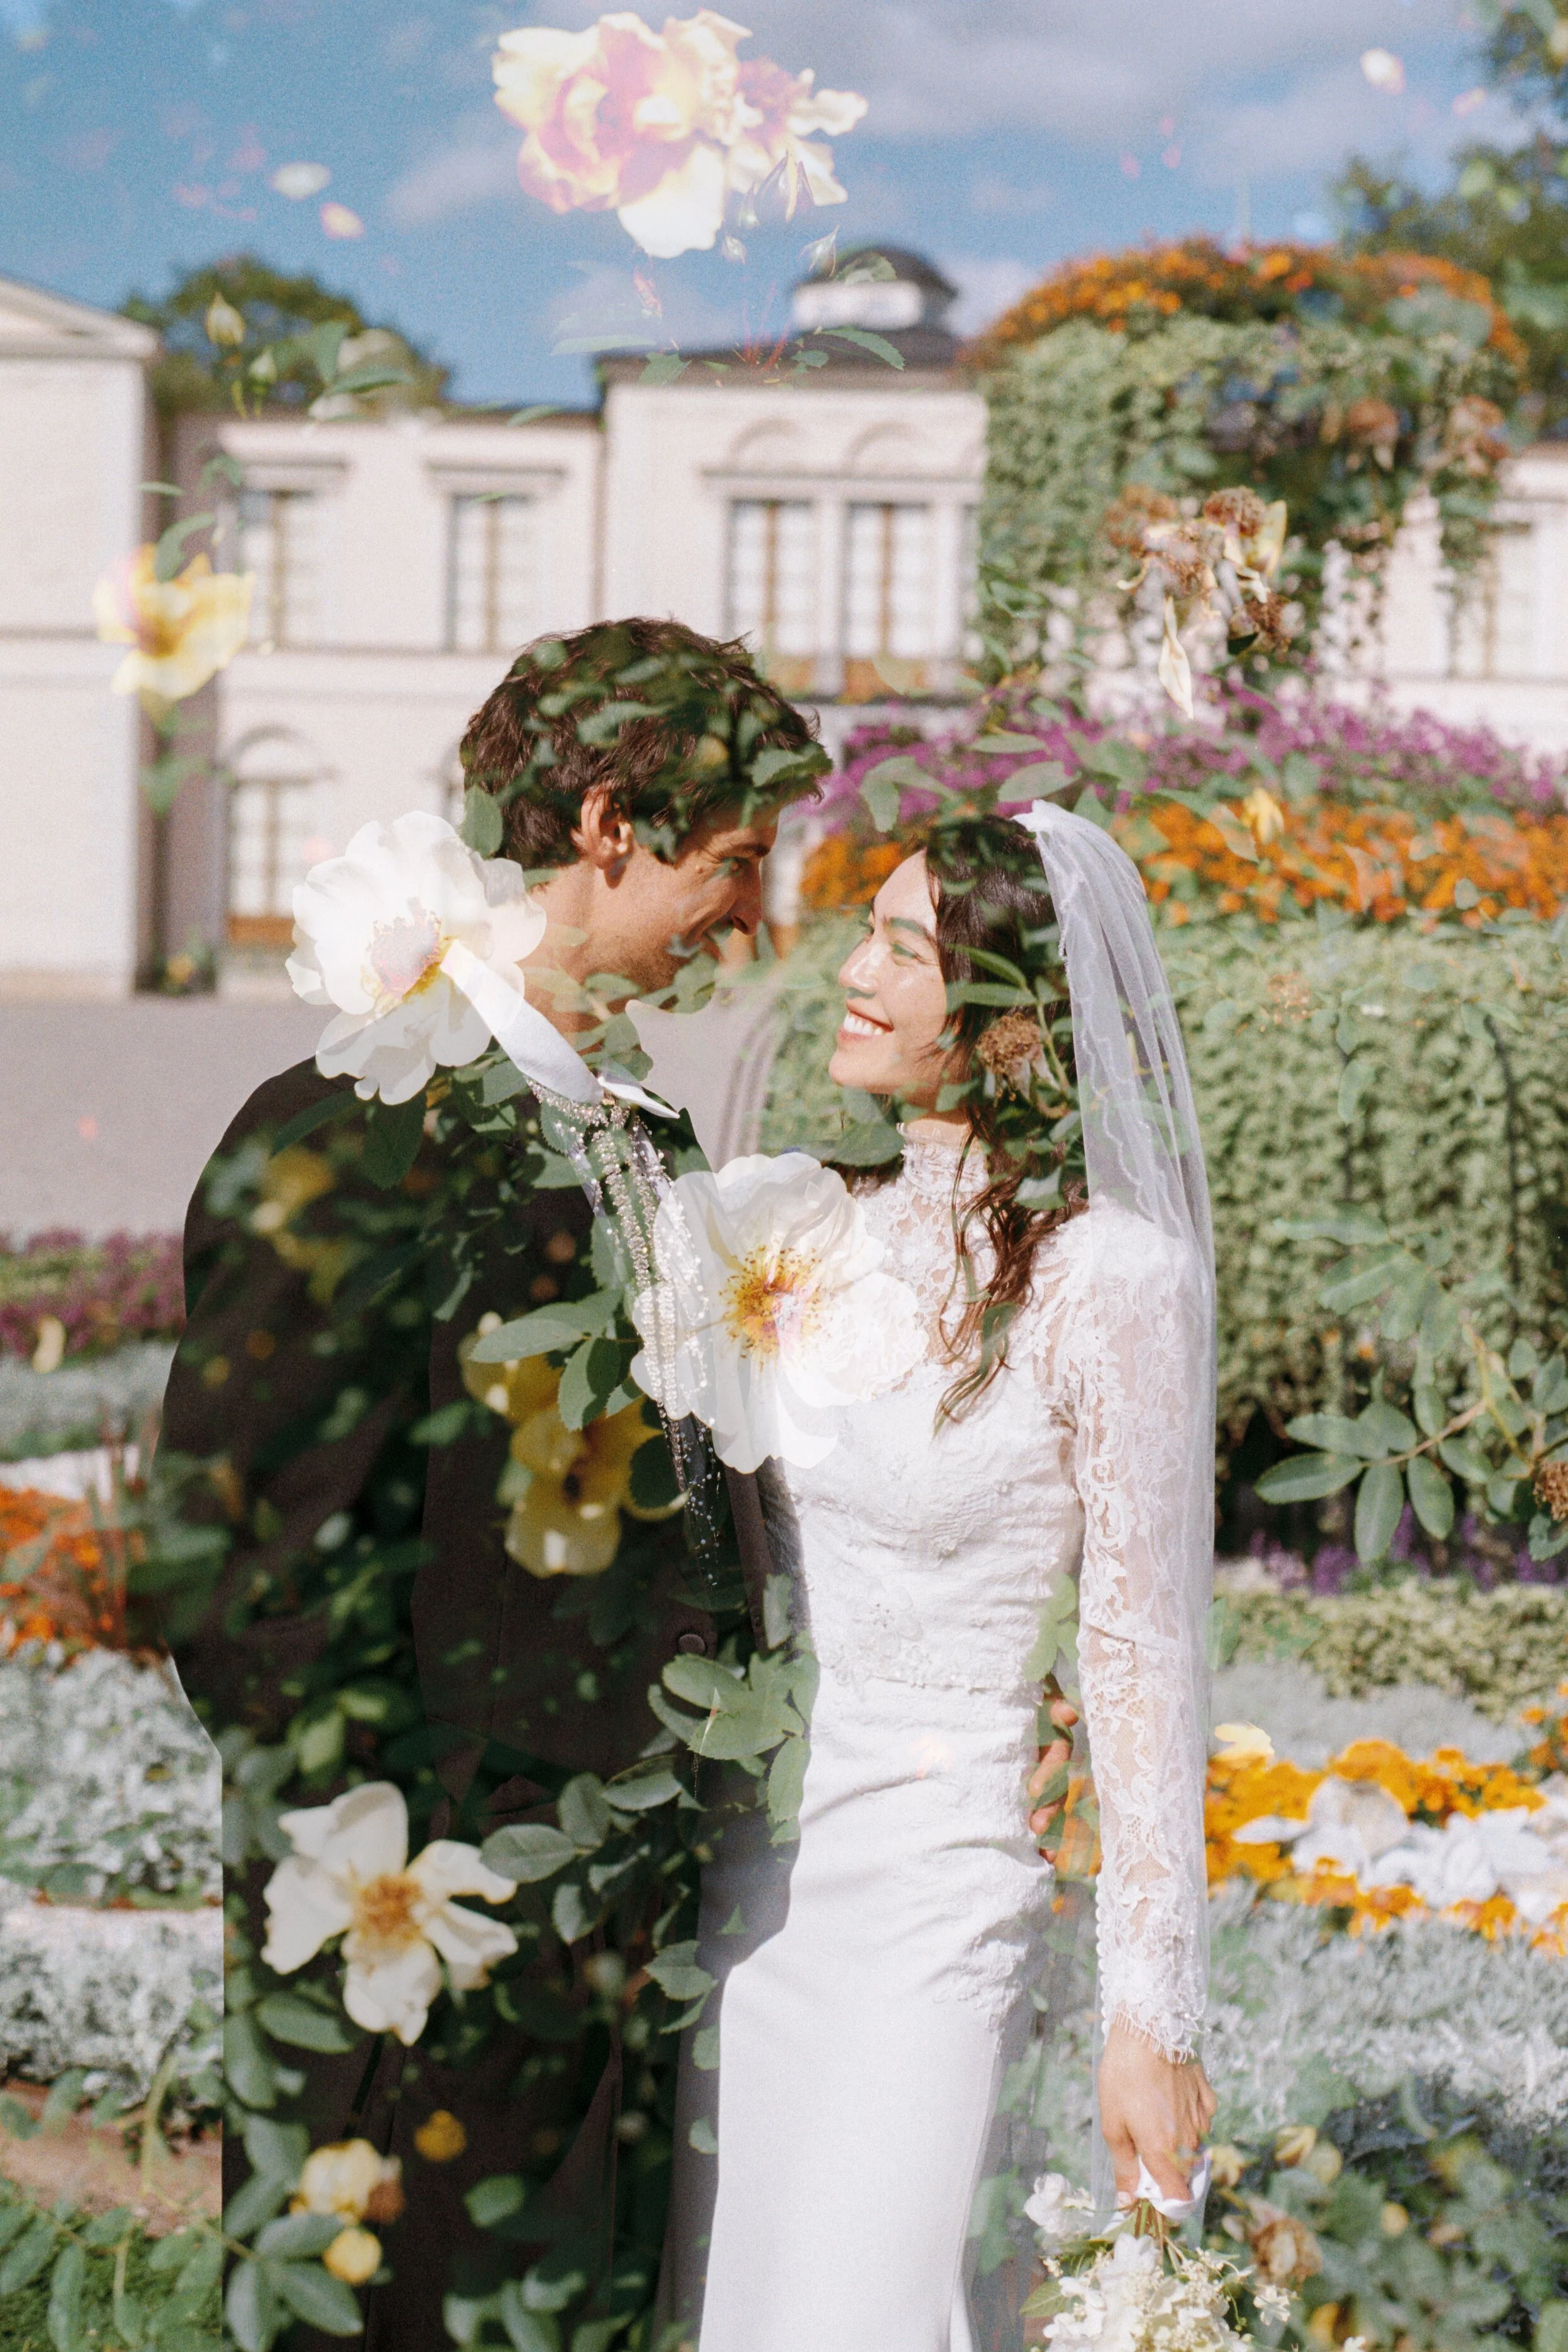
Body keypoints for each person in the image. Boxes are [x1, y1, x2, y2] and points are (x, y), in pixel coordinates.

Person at [157, 618, 827, 2349]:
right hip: (438, 1953)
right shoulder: (344, 1130)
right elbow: (244, 1584)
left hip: (633, 1933)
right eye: (737, 861)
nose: (756, 918)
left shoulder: (646, 1137)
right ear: (609, 820)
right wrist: (433, 1893)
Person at [659, 805, 1218, 2352]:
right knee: (752, 2305)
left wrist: (1148, 2019)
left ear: (1019, 1018)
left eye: (909, 949)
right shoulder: (806, 1233)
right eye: (870, 931)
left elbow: (1141, 1652)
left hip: (938, 1864)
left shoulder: (1112, 1282)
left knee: (856, 2303)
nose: (852, 970)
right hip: (761, 1865)